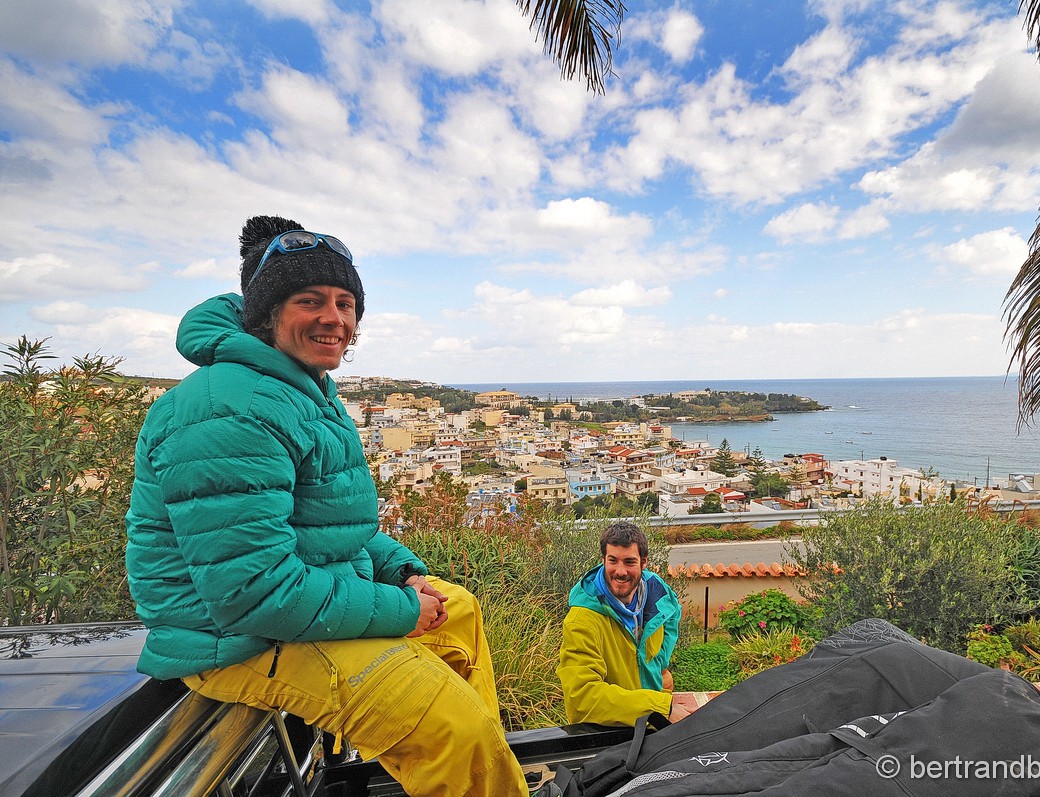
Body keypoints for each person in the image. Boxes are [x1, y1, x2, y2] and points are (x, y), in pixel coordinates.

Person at [124, 215, 526, 797]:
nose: (334, 318)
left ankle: (471, 770)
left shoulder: (298, 388)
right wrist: (402, 610)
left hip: (288, 612)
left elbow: (328, 527)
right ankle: (467, 758)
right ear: (267, 314)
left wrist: (403, 572)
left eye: (345, 303)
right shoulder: (227, 407)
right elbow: (254, 593)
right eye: (310, 300)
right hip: (235, 639)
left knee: (456, 608)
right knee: (451, 729)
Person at [557, 520, 690, 727]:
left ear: (643, 563)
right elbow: (582, 699)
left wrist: (660, 664)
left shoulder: (656, 591)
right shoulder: (582, 621)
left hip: (652, 725)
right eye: (613, 561)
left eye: (629, 562)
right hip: (611, 734)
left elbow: (672, 613)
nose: (620, 571)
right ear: (603, 560)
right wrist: (660, 706)